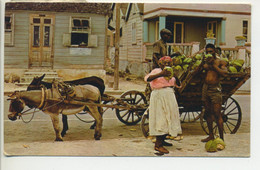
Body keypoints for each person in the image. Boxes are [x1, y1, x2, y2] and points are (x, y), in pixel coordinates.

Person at [144, 56, 182, 154]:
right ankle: (158, 145)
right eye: (164, 63)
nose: (166, 65)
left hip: (169, 95)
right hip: (159, 96)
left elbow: (178, 84)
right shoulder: (156, 71)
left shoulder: (171, 72)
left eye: (168, 63)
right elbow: (148, 79)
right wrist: (161, 74)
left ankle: (163, 140)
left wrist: (175, 75)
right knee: (161, 119)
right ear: (160, 64)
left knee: (169, 118)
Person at [201, 43, 228, 142]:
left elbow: (225, 73)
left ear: (215, 52)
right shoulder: (205, 63)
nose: (209, 53)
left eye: (211, 52)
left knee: (217, 114)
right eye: (207, 52)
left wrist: (213, 65)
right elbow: (198, 71)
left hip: (215, 89)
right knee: (207, 113)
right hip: (206, 88)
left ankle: (221, 139)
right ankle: (211, 135)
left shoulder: (220, 62)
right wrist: (203, 63)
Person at [145, 28, 172, 101]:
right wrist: (160, 66)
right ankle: (150, 98)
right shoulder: (158, 43)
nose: (169, 37)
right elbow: (155, 56)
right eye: (168, 35)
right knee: (155, 83)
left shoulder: (165, 44)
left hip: (163, 66)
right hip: (157, 67)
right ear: (163, 35)